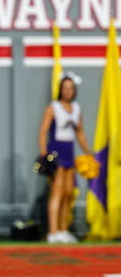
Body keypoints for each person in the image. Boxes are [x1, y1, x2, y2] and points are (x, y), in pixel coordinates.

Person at [37, 74, 92, 244]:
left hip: (70, 150)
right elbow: (43, 131)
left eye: (70, 88)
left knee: (69, 193)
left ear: (74, 91)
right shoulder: (53, 107)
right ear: (60, 90)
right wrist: (44, 154)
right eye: (65, 88)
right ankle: (53, 232)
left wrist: (88, 152)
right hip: (56, 150)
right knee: (57, 192)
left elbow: (80, 132)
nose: (67, 91)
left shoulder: (76, 108)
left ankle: (63, 229)